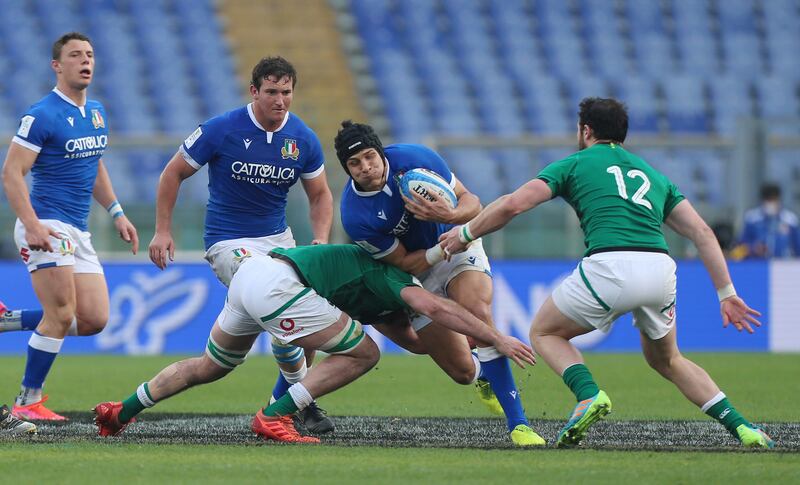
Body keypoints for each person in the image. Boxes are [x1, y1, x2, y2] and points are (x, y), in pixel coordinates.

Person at [440, 97, 773, 449]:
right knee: (669, 359)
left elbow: (513, 204)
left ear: (585, 130)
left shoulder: (575, 164)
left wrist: (465, 234)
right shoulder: (653, 175)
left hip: (610, 265)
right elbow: (703, 234)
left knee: (544, 332)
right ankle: (743, 428)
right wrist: (727, 293)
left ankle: (588, 395)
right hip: (660, 270)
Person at [93, 244, 535, 442]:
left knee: (211, 365)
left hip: (252, 277)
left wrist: (463, 353)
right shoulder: (392, 275)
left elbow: (419, 341)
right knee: (364, 353)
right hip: (279, 285)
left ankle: (121, 411)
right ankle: (275, 416)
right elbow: (436, 312)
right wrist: (495, 337)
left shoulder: (373, 281)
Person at [146, 56, 334, 433]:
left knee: (304, 319)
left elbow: (321, 195)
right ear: (254, 91)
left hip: (278, 241)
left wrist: (320, 240)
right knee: (283, 309)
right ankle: (303, 400)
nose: (279, 101)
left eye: (286, 92)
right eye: (271, 92)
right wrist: (162, 229)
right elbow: (173, 172)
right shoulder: (221, 129)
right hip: (229, 243)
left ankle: (283, 404)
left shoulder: (302, 139)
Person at [334, 121, 544, 446]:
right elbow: (404, 262)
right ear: (346, 169)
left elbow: (470, 200)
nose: (366, 167)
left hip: (458, 244)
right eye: (354, 163)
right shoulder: (355, 214)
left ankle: (519, 424)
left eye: (369, 156)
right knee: (461, 372)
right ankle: (482, 374)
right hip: (420, 268)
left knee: (477, 312)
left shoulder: (415, 158)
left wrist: (454, 220)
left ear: (380, 151)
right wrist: (439, 247)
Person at [1, 32, 139, 421]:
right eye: (75, 55)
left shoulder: (96, 111)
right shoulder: (42, 114)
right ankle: (28, 401)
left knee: (93, 319)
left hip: (78, 230)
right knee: (61, 314)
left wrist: (116, 212)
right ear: (57, 66)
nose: (85, 60)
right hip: (46, 223)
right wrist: (31, 225)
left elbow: (93, 163)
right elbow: (12, 173)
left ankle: (7, 320)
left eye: (90, 54)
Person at [735, 183, 800, 258]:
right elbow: (739, 248)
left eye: (773, 199)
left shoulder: (790, 220)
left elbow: (798, 246)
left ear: (778, 199)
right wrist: (753, 249)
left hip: (784, 265)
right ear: (762, 200)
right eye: (768, 200)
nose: (771, 203)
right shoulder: (752, 219)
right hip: (758, 264)